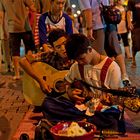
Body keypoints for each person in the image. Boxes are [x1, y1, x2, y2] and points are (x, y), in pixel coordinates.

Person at [41, 34, 126, 133]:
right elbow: (66, 83)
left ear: (89, 49)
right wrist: (70, 92)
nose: (79, 62)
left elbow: (116, 101)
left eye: (81, 58)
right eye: (77, 60)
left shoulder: (112, 68)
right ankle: (84, 123)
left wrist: (109, 101)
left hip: (101, 112)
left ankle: (70, 122)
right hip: (82, 109)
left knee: (112, 118)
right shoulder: (77, 66)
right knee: (47, 103)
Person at [78, 0, 131, 86]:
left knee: (98, 52)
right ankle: (124, 76)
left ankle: (109, 77)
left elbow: (88, 10)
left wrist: (89, 28)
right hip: (109, 21)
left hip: (96, 25)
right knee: (116, 50)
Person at [20, 29, 73, 100]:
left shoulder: (76, 56)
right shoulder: (50, 56)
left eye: (65, 43)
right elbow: (23, 61)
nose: (63, 49)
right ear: (53, 49)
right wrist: (40, 81)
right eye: (58, 47)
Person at [0, 0, 36, 80]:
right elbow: (33, 8)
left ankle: (17, 74)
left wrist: (3, 30)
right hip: (25, 27)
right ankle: (30, 71)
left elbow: (1, 16)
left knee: (15, 52)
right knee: (29, 49)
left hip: (12, 28)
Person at [127, 0, 140, 68]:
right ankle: (134, 60)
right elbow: (129, 12)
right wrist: (129, 22)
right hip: (136, 26)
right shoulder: (131, 1)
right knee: (136, 44)